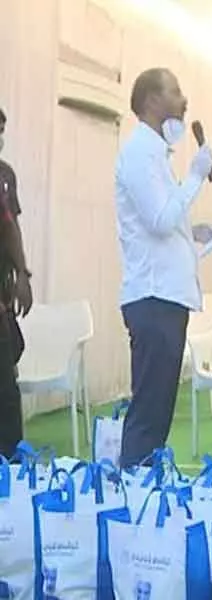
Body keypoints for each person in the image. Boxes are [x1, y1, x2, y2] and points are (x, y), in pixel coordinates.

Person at [115, 68, 212, 468]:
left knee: (158, 412)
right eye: (175, 91)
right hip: (153, 298)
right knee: (149, 411)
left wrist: (197, 231)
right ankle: (132, 501)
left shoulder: (155, 153)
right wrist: (194, 176)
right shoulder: (140, 152)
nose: (182, 98)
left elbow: (166, 219)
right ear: (151, 100)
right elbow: (158, 220)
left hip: (167, 297)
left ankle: (145, 495)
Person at [0, 108, 32, 460]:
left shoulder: (5, 176)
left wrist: (22, 274)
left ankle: (12, 469)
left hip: (3, 296)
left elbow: (11, 227)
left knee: (7, 388)